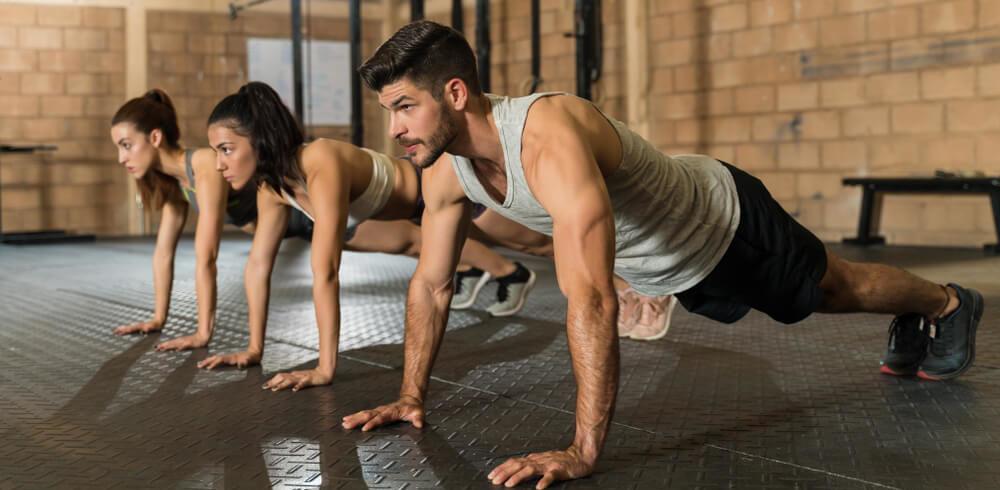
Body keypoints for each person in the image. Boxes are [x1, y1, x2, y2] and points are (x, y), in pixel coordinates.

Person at [341, 21, 984, 489]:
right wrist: (409, 393)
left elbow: (588, 295)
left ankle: (948, 302)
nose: (393, 130)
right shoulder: (446, 172)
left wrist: (583, 450)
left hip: (722, 223)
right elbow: (430, 285)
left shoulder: (547, 135)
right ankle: (926, 309)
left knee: (830, 291)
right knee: (817, 295)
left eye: (403, 108)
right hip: (669, 264)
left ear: (454, 94)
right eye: (387, 111)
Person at [196, 82, 547, 390]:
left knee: (536, 241)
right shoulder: (271, 189)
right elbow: (258, 267)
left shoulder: (319, 160)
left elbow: (327, 271)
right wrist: (254, 349)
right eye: (215, 152)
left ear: (258, 141)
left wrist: (324, 368)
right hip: (410, 214)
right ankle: (507, 271)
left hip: (438, 186)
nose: (218, 165)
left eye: (226, 149)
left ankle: (593, 260)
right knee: (423, 246)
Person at [109, 89, 312, 351]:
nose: (121, 158)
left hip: (305, 217)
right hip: (282, 228)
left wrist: (203, 334)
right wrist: (158, 318)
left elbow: (207, 255)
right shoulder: (176, 183)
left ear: (155, 137)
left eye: (126, 145)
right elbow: (163, 253)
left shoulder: (205, 164)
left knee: (381, 237)